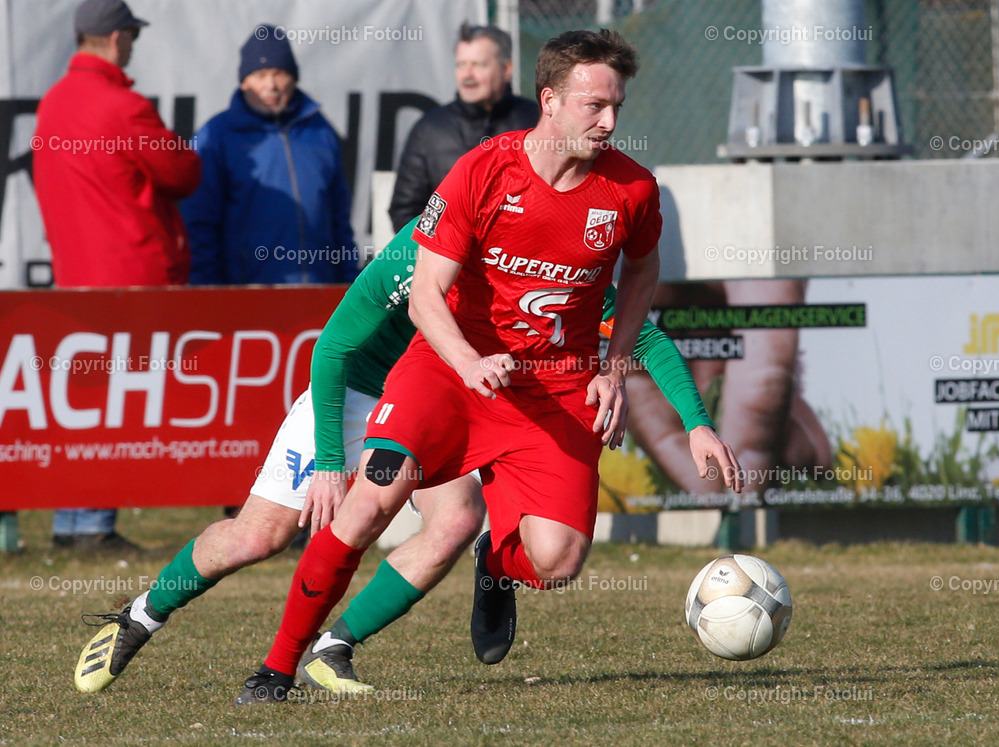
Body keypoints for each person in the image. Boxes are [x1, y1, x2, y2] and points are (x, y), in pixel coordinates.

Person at [236, 29, 742, 703]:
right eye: (594, 105)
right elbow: (423, 295)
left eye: (617, 105)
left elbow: (644, 274)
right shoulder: (482, 170)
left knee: (558, 560)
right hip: (449, 374)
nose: (610, 121)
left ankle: (494, 563)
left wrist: (629, 377)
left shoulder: (632, 190)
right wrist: (468, 361)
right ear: (550, 100)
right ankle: (275, 668)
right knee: (368, 504)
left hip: (553, 389)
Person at [72, 220, 735, 695]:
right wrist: (332, 458)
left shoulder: (536, 253)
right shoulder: (417, 250)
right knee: (260, 534)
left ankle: (334, 649)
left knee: (453, 521)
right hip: (359, 394)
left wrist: (695, 420)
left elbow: (639, 332)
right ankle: (139, 618)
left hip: (445, 396)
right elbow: (331, 348)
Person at [33, 0, 201, 552]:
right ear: (114, 38)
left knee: (87, 396)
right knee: (117, 400)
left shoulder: (54, 104)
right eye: (131, 35)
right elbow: (182, 171)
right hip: (131, 270)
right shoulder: (122, 105)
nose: (132, 45)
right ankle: (92, 526)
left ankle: (72, 521)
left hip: (76, 271)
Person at [181, 24, 357, 285]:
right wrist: (209, 294)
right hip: (247, 297)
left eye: (279, 73)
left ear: (294, 78)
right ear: (243, 82)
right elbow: (199, 225)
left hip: (321, 292)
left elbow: (339, 221)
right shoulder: (217, 135)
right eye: (260, 75)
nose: (271, 85)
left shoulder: (320, 131)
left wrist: (350, 284)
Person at [388, 22, 538, 232]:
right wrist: (444, 254)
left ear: (506, 69)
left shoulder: (536, 121)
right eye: (461, 65)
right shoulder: (430, 128)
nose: (467, 75)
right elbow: (405, 210)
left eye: (478, 65)